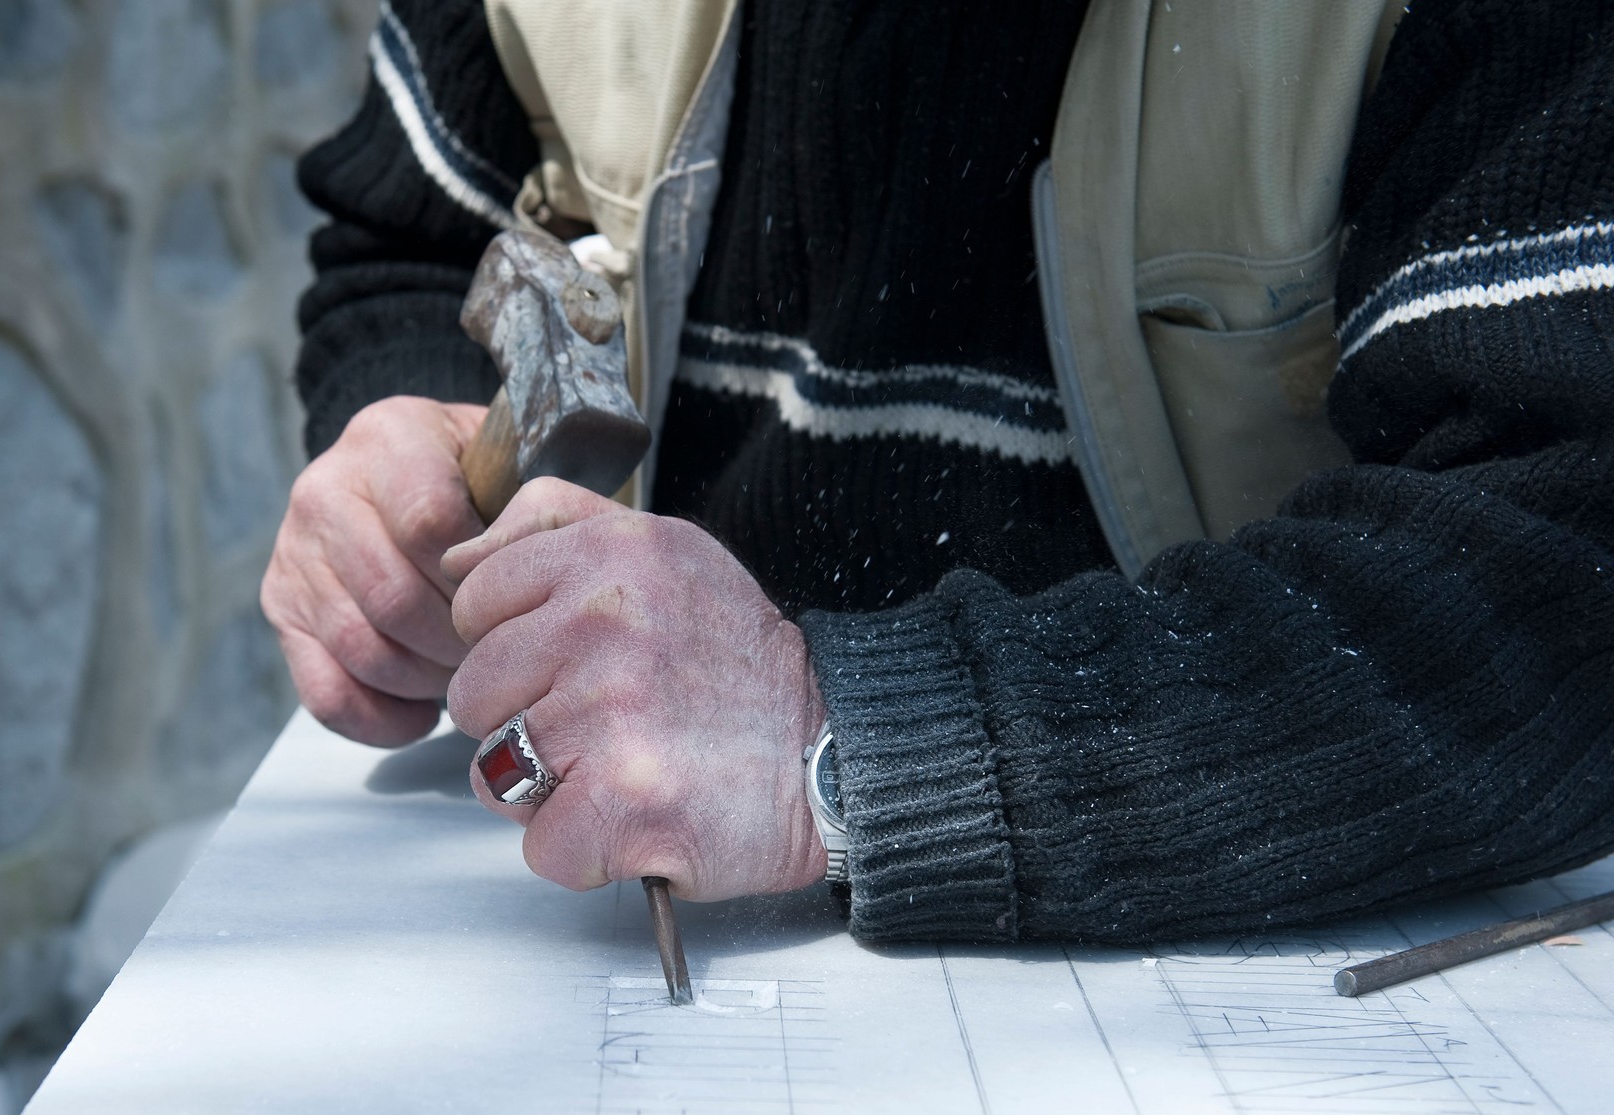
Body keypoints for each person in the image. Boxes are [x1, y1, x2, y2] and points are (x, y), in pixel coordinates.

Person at [261, 0, 1614, 943]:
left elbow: (1556, 592)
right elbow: (410, 242)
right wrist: (405, 447)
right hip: (649, 938)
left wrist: (840, 740)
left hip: (1229, 1010)